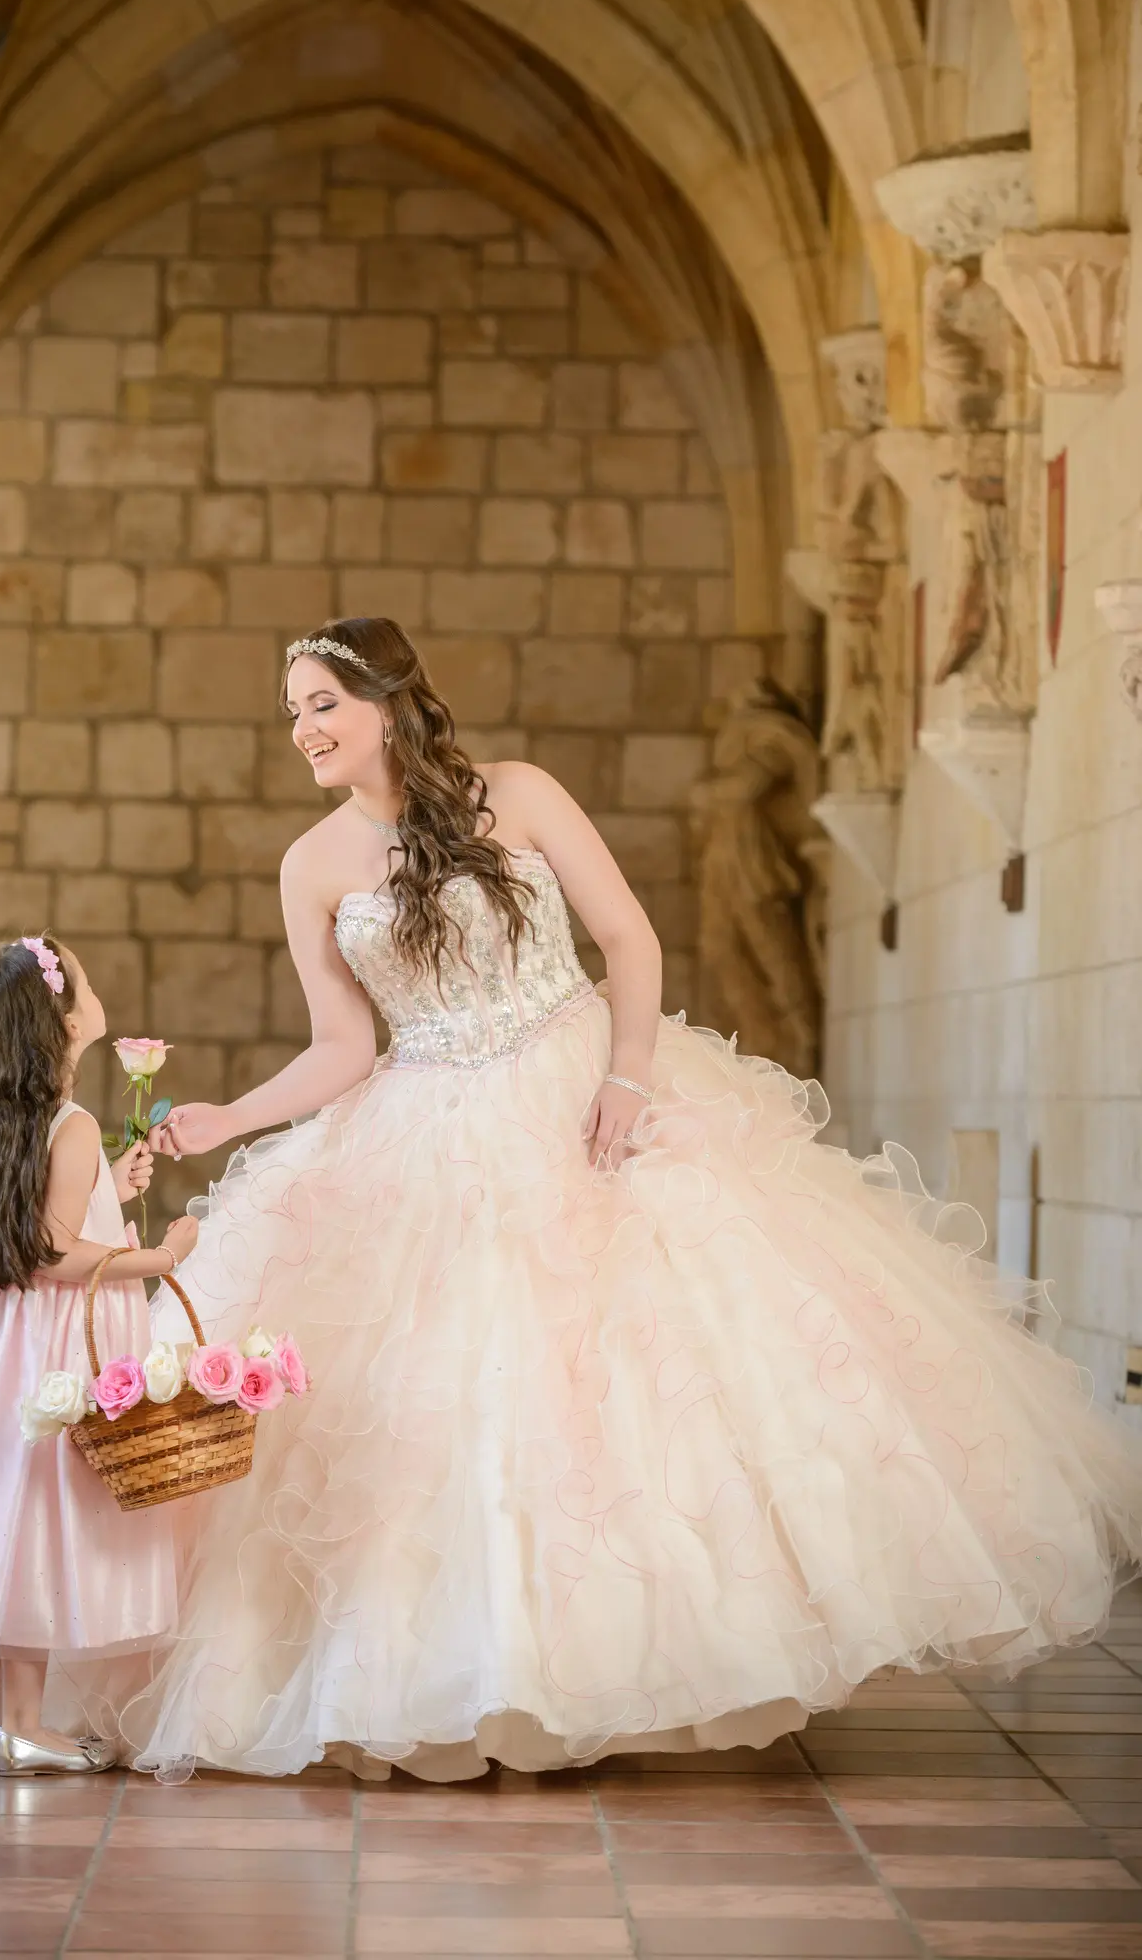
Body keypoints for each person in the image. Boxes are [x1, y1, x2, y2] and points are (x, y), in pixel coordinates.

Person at [132, 617, 1142, 1783]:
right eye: (290, 710)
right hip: (418, 1126)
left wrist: (625, 1078)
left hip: (576, 1090)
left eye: (320, 702)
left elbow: (627, 938)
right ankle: (469, 1671)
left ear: (387, 698)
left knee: (644, 1376)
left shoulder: (516, 793)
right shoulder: (309, 864)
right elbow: (341, 1045)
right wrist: (227, 1117)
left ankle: (651, 1661)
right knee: (455, 1395)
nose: (302, 728)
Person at [0, 933, 199, 1776]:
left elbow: (40, 1219)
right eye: (83, 981)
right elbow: (55, 1254)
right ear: (60, 1019)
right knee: (33, 1529)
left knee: (2, 1529)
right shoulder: (73, 1121)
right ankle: (21, 1726)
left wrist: (108, 1185)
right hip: (49, 1353)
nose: (95, 990)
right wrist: (158, 1258)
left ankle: (15, 1719)